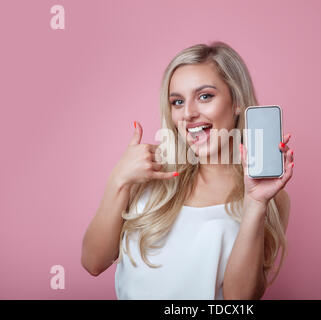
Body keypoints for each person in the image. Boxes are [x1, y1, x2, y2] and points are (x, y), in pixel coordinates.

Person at [81, 41, 294, 300]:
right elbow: (93, 262)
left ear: (236, 101)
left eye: (205, 96)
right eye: (177, 101)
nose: (189, 113)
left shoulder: (270, 198)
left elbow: (239, 301)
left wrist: (255, 204)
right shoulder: (147, 173)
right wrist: (119, 179)